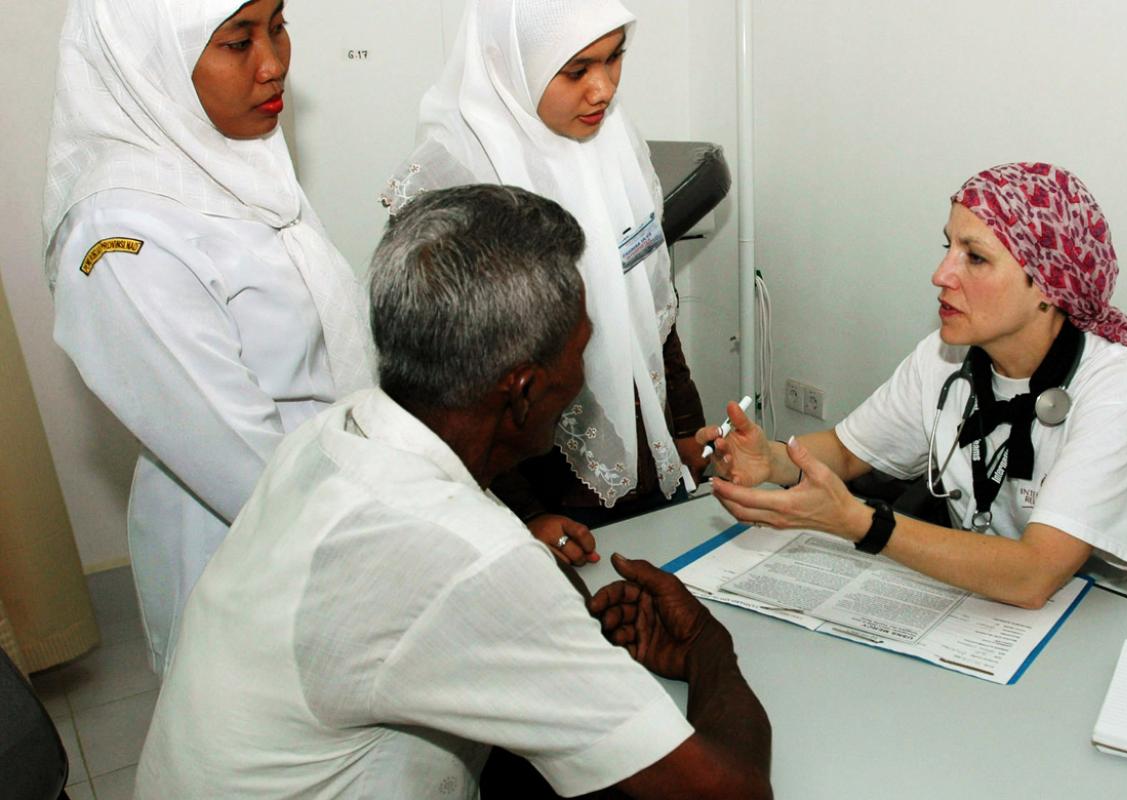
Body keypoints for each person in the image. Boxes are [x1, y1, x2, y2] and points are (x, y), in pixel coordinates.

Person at [133, 185, 772, 799]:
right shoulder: (466, 557)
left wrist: (565, 621)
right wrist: (707, 647)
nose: (587, 368)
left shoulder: (337, 434)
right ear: (522, 390)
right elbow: (731, 790)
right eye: (582, 347)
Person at [702, 162, 1127, 622]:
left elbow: (1033, 574)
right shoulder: (943, 359)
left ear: (1050, 285)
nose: (941, 275)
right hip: (986, 594)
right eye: (948, 248)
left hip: (1126, 609)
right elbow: (846, 453)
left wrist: (863, 523)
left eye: (976, 258)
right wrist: (770, 459)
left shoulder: (1118, 389)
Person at [43, 0, 374, 673]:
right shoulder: (119, 234)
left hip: (335, 501)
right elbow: (242, 459)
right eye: (237, 41)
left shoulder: (237, 165)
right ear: (149, 59)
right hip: (254, 531)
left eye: (278, 25)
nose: (274, 63)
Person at [381, 0, 706, 565]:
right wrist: (521, 516)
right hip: (538, 507)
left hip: (650, 474)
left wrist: (684, 436)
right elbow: (447, 395)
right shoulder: (454, 182)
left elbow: (654, 317)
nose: (602, 89)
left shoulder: (616, 147)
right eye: (576, 70)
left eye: (614, 59)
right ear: (506, 63)